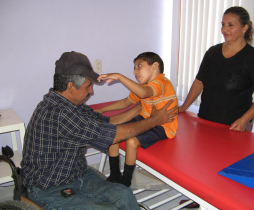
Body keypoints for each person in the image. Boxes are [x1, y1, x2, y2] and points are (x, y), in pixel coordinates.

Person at [21, 51, 178, 210]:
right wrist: (155, 121)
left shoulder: (71, 105)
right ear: (70, 86)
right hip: (50, 188)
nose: (91, 92)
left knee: (123, 194)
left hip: (79, 175)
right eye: (88, 86)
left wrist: (140, 108)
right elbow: (114, 135)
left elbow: (108, 121)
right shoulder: (59, 114)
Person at [179, 6, 254, 208]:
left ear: (245, 27)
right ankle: (198, 199)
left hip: (234, 125)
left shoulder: (251, 57)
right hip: (206, 119)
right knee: (203, 163)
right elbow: (199, 82)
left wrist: (246, 119)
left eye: (231, 25)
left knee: (226, 172)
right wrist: (184, 106)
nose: (225, 29)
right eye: (223, 24)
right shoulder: (212, 52)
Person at [96, 52, 178, 187]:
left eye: (139, 66)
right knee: (113, 134)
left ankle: (126, 180)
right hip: (145, 119)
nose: (135, 71)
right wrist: (103, 110)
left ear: (155, 66)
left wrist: (120, 76)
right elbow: (126, 102)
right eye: (134, 68)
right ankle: (115, 174)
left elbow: (144, 93)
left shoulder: (161, 82)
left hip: (164, 126)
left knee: (132, 141)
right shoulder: (144, 87)